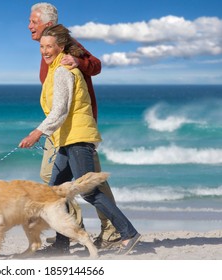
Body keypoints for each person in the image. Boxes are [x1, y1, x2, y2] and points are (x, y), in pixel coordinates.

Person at [19, 24, 141, 255]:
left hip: (77, 138)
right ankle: (62, 244)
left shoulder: (63, 71)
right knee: (55, 192)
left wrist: (36, 133)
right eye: (42, 47)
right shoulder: (57, 68)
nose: (44, 51)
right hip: (67, 139)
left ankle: (129, 234)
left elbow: (60, 111)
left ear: (61, 47)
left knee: (88, 191)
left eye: (50, 47)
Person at [28, 2, 121, 249]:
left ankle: (112, 230)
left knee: (89, 180)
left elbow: (96, 65)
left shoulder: (68, 44)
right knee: (60, 178)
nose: (29, 26)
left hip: (74, 124)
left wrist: (78, 62)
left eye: (33, 21)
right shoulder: (49, 47)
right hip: (60, 125)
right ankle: (70, 230)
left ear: (48, 25)